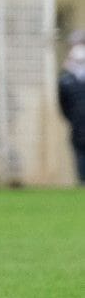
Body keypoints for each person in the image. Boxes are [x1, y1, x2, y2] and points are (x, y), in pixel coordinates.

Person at [57, 32, 85, 185]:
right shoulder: (66, 81)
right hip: (78, 125)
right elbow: (64, 105)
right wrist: (74, 119)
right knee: (80, 155)